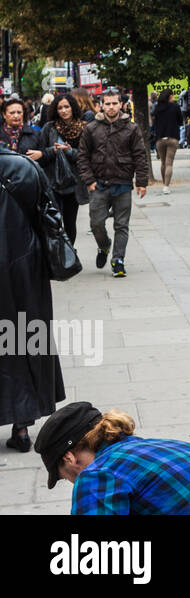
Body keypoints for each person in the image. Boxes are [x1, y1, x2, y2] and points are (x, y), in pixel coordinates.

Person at [34, 402, 190, 514]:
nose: (73, 483)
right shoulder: (178, 447)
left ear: (70, 458)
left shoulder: (98, 474)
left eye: (65, 477)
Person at [0, 145, 66, 455]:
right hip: (26, 267)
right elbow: (51, 215)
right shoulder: (24, 166)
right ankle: (22, 426)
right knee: (25, 337)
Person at [76, 89, 149, 278]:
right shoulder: (91, 128)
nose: (111, 107)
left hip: (123, 183)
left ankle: (118, 260)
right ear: (101, 105)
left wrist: (141, 181)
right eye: (107, 103)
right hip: (99, 183)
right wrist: (88, 180)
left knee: (121, 225)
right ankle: (104, 246)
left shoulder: (131, 128)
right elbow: (82, 156)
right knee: (96, 223)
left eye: (114, 103)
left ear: (121, 104)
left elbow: (140, 155)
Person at [41, 92, 89, 244]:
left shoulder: (83, 128)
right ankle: (57, 256)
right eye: (60, 107)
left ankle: (70, 255)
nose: (63, 111)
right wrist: (53, 151)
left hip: (73, 184)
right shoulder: (49, 128)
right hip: (53, 183)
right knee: (54, 223)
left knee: (70, 223)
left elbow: (85, 156)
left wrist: (68, 151)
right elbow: (41, 153)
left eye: (66, 107)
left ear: (72, 108)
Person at [152, 90, 183, 195]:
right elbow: (180, 121)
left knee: (163, 163)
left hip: (160, 137)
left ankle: (164, 184)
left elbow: (154, 122)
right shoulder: (175, 107)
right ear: (170, 96)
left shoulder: (157, 108)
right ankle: (166, 186)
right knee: (169, 163)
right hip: (172, 136)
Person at [3, 96, 47, 161]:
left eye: (19, 112)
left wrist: (41, 154)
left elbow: (45, 157)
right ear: (4, 115)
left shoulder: (35, 133)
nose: (16, 116)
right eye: (12, 113)